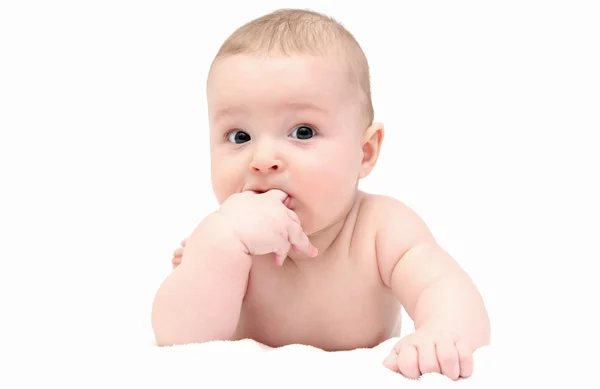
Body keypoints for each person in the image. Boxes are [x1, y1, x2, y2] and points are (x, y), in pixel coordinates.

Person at [151, 8, 490, 381]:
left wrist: (441, 332)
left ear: (365, 153)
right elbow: (177, 341)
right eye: (240, 137)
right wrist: (216, 248)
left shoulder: (381, 230)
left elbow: (444, 287)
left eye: (303, 132)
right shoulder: (225, 239)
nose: (262, 160)